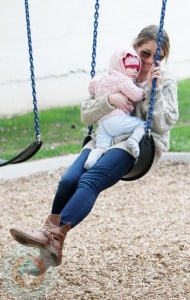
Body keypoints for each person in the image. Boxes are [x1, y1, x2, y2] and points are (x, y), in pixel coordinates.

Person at [10, 24, 179, 276]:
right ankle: (49, 248)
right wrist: (108, 101)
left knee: (89, 180)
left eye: (157, 57)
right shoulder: (115, 74)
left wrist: (153, 92)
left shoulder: (164, 82)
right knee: (68, 181)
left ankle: (49, 237)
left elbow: (161, 125)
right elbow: (87, 115)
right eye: (145, 53)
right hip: (104, 139)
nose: (148, 62)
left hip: (138, 145)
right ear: (134, 49)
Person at [84, 48, 146, 170]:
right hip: (116, 119)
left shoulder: (101, 79)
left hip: (102, 124)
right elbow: (135, 95)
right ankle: (133, 140)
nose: (135, 71)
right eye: (132, 67)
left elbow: (91, 87)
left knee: (101, 148)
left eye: (137, 68)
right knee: (143, 126)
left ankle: (90, 162)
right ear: (120, 66)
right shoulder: (122, 79)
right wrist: (145, 92)